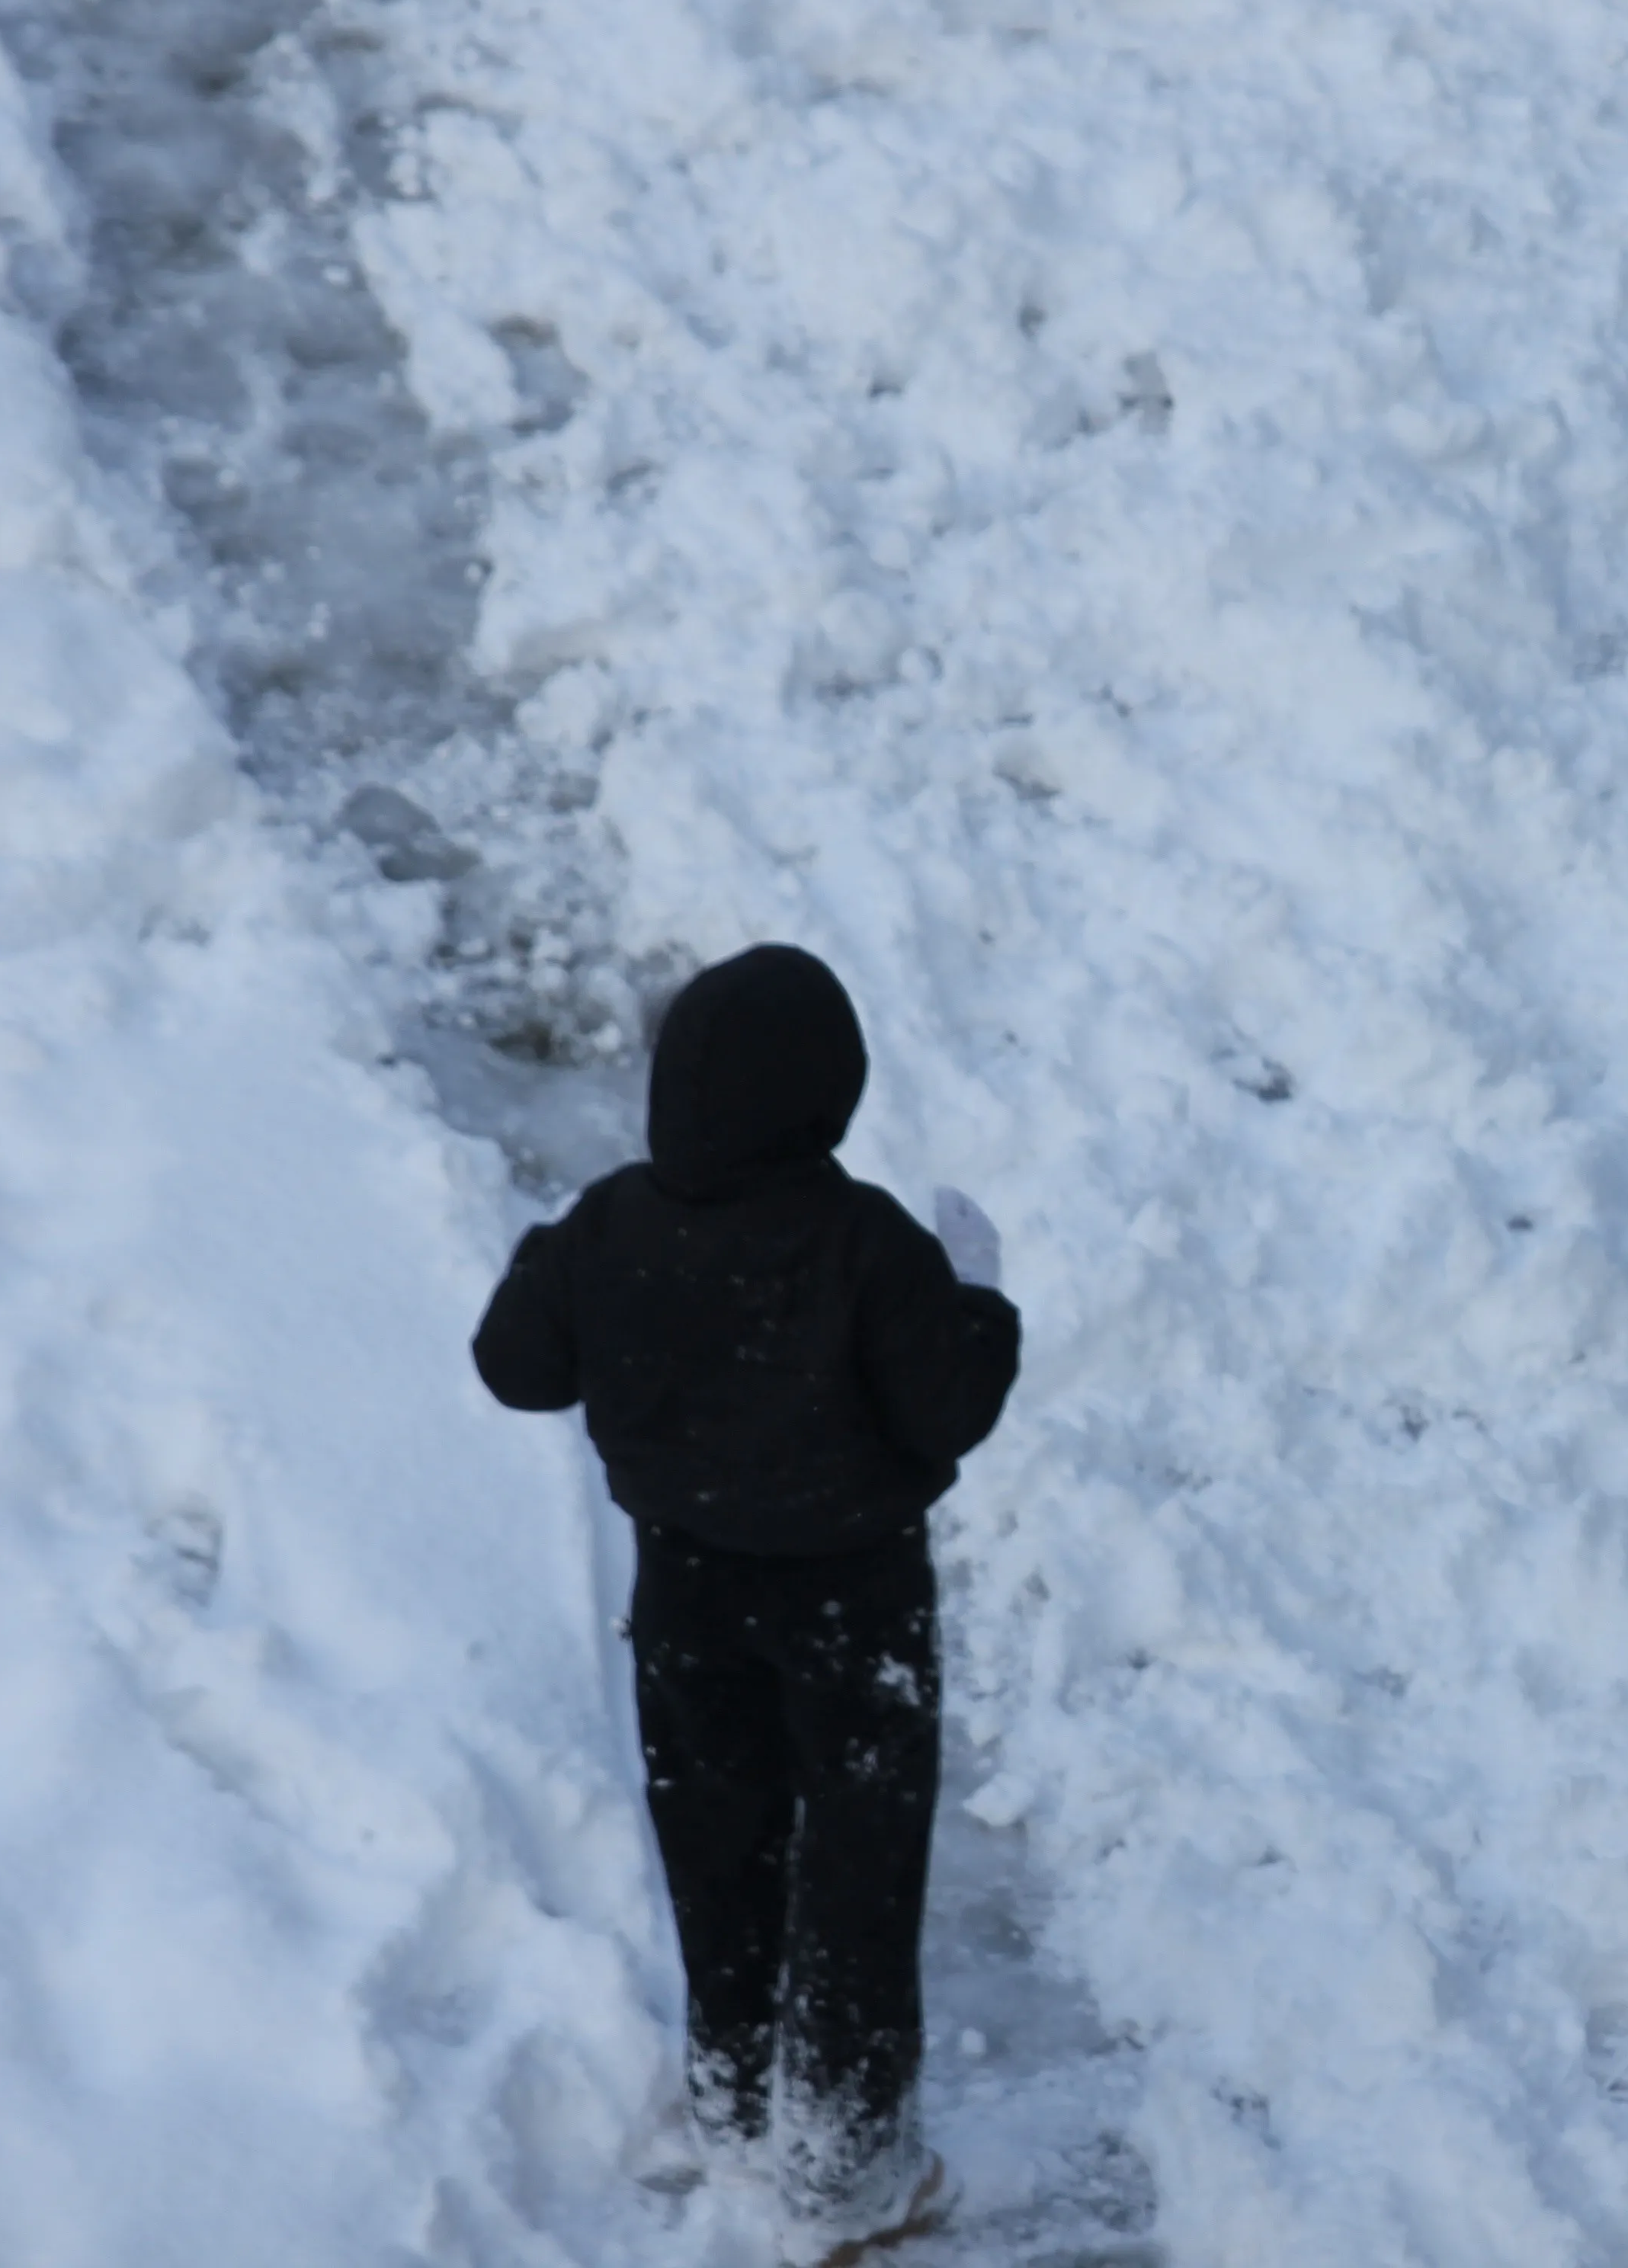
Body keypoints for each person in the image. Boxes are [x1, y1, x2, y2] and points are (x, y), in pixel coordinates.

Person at [473, 943, 1019, 2265]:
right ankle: (844, 2175)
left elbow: (516, 1365)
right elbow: (946, 1409)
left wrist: (560, 1259)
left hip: (689, 1597)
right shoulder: (868, 1244)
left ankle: (732, 2097)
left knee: (719, 1843)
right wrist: (979, 1303)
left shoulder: (615, 1225)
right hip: (854, 1608)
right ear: (829, 1093)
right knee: (857, 1872)